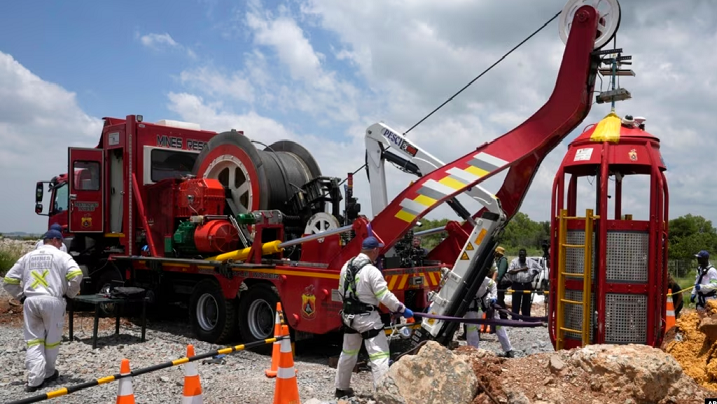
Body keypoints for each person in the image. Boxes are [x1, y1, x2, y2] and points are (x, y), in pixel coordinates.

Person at [3, 229, 83, 392]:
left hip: (31, 301)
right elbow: (76, 274)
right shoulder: (62, 256)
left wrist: (22, 296)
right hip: (53, 301)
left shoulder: (27, 257)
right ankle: (48, 373)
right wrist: (70, 294)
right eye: (60, 241)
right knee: (52, 340)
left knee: (33, 341)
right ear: (54, 240)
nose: (61, 244)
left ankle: (34, 380)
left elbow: (8, 280)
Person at [334, 236, 414, 398]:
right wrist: (401, 309)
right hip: (368, 319)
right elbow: (384, 296)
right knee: (379, 355)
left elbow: (341, 291)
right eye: (378, 250)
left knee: (348, 353)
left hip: (349, 318)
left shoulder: (346, 266)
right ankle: (382, 393)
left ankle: (341, 388)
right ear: (374, 250)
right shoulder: (372, 271)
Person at [463, 275, 515, 357]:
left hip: (486, 301)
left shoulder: (480, 277)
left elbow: (493, 284)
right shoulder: (464, 280)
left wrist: (494, 296)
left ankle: (508, 349)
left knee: (498, 325)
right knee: (471, 327)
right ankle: (473, 351)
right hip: (472, 303)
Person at [507, 248, 541, 317]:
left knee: (526, 303)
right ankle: (515, 319)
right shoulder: (514, 261)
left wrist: (534, 273)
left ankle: (526, 319)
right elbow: (510, 271)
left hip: (527, 284)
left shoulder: (531, 261)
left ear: (526, 255)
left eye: (523, 255)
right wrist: (522, 269)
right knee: (516, 302)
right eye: (520, 255)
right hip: (517, 284)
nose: (521, 256)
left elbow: (540, 268)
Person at [492, 246, 510, 320]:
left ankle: (503, 315)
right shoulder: (498, 260)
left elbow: (501, 272)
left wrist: (496, 280)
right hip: (496, 282)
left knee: (500, 299)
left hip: (500, 283)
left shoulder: (503, 260)